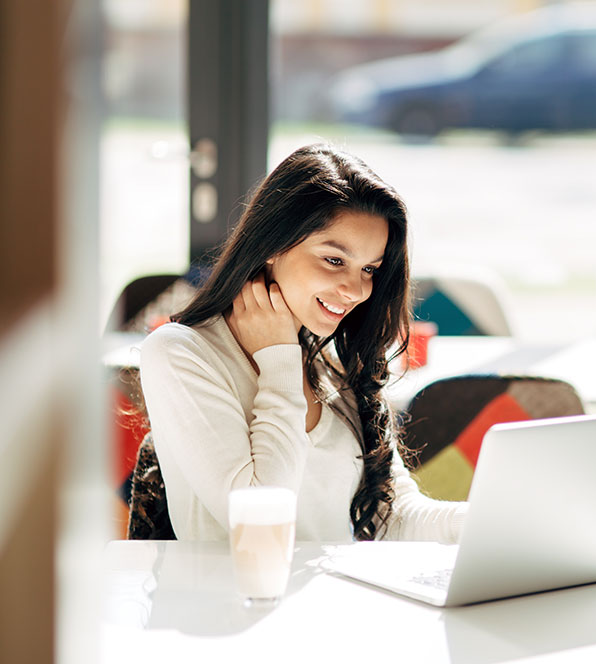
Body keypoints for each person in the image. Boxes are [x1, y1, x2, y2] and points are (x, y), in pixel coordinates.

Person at [139, 144, 467, 543]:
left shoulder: (335, 360)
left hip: (334, 598)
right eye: (334, 260)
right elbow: (258, 525)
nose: (356, 290)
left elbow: (395, 516)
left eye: (369, 269)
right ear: (274, 245)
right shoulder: (181, 354)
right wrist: (278, 362)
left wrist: (487, 519)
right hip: (233, 603)